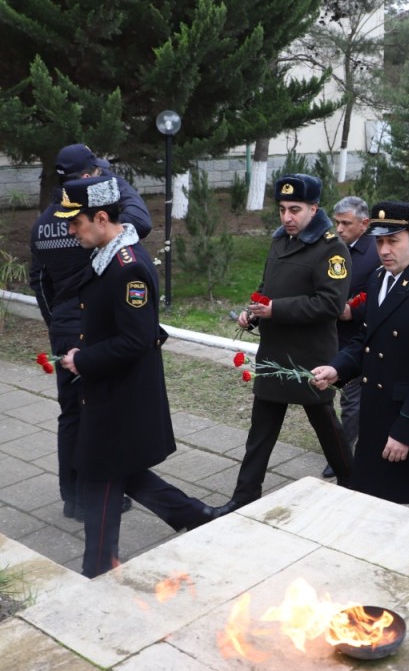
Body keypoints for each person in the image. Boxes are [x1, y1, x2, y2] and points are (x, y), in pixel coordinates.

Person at [55, 176, 220, 577]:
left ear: (99, 218)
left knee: (101, 475)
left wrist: (84, 359)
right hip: (109, 389)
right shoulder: (107, 258)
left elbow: (137, 340)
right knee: (121, 472)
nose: (70, 230)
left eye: (75, 223)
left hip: (121, 394)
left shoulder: (127, 269)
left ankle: (98, 566)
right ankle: (195, 515)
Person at [311, 201, 409, 519]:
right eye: (379, 241)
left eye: (393, 240)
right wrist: (338, 367)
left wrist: (406, 431)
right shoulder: (380, 279)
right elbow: (367, 341)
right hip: (378, 413)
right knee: (374, 505)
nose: (384, 249)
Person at [30, 143, 152, 519]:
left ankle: (73, 496)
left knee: (70, 414)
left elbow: (38, 280)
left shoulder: (43, 223)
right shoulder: (93, 219)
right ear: (89, 178)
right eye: (96, 172)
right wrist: (110, 179)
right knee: (102, 413)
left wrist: (57, 327)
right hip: (98, 329)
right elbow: (138, 221)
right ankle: (104, 493)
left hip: (63, 326)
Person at [219, 174, 354, 513]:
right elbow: (268, 286)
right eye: (282, 209)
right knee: (260, 430)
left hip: (310, 357)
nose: (287, 218)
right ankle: (244, 496)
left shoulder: (331, 248)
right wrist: (253, 312)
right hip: (274, 352)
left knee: (326, 426)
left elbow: (330, 304)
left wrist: (275, 309)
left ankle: (354, 485)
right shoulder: (280, 241)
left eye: (295, 209)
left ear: (314, 208)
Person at [323, 195, 378, 478]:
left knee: (351, 398)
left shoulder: (376, 252)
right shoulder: (333, 247)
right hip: (330, 334)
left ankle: (343, 453)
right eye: (337, 223)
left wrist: (353, 311)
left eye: (346, 223)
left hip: (359, 337)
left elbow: (380, 292)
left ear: (364, 224)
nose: (340, 229)